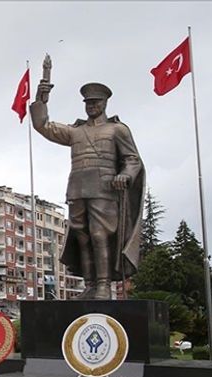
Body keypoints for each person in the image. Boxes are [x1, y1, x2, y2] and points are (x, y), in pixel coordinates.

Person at [31, 78, 145, 299]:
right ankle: (90, 284)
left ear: (104, 103)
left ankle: (103, 285)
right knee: (82, 237)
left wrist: (125, 175)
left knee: (99, 234)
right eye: (88, 102)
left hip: (104, 188)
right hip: (77, 188)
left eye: (96, 102)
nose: (91, 106)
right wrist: (41, 99)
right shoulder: (76, 131)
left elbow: (133, 159)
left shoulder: (117, 129)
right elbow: (43, 126)